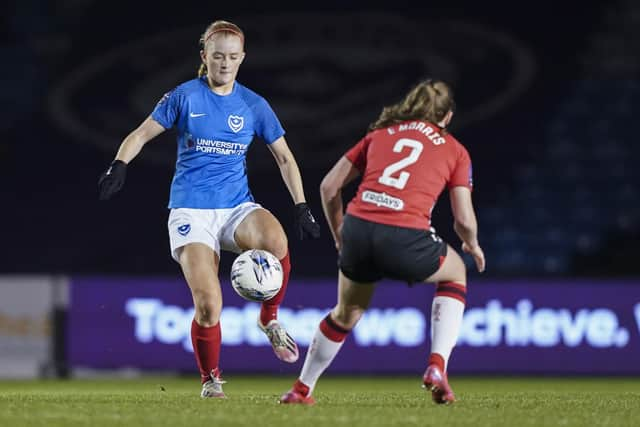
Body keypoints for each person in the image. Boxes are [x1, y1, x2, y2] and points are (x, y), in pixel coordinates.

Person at [97, 20, 320, 398]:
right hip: (191, 212)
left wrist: (301, 206)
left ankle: (269, 319)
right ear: (205, 57)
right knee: (208, 305)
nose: (225, 64)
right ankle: (211, 379)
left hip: (235, 206)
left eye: (233, 57)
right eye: (218, 56)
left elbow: (284, 158)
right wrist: (118, 165)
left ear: (242, 58)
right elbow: (140, 134)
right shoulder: (183, 97)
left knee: (276, 239)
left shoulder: (253, 104)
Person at [280, 79, 485, 405]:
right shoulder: (455, 149)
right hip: (406, 234)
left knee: (346, 312)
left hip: (358, 231)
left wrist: (339, 236)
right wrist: (472, 244)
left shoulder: (379, 135)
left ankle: (302, 389)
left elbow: (328, 187)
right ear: (446, 116)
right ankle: (436, 367)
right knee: (455, 271)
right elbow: (463, 220)